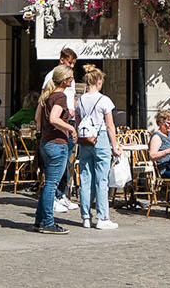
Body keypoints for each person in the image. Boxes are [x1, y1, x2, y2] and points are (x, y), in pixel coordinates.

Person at [72, 66, 122, 231]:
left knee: (85, 178)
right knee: (102, 180)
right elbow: (110, 126)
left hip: (85, 140)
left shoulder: (80, 100)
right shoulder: (104, 100)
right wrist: (114, 146)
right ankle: (102, 217)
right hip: (100, 138)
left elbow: (78, 123)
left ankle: (85, 217)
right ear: (99, 81)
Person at [34, 64, 77, 233]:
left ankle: (40, 221)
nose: (73, 80)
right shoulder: (60, 97)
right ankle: (48, 222)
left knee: (47, 184)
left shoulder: (47, 96)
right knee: (51, 185)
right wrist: (70, 128)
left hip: (45, 142)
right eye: (71, 78)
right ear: (65, 80)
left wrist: (44, 131)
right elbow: (54, 118)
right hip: (57, 143)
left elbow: (38, 117)